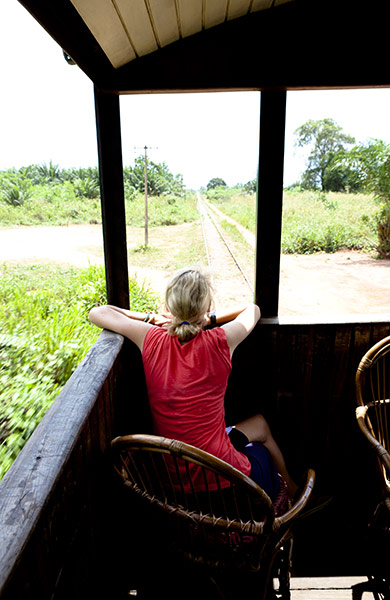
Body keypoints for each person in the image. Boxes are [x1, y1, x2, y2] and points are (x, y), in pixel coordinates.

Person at [89, 267, 297, 500]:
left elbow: (98, 313)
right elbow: (253, 309)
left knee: (257, 425)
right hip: (228, 478)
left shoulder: (150, 338)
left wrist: (150, 318)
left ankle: (291, 489)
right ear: (206, 307)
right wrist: (211, 319)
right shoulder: (221, 340)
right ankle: (292, 492)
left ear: (168, 307)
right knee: (261, 449)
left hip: (176, 479)